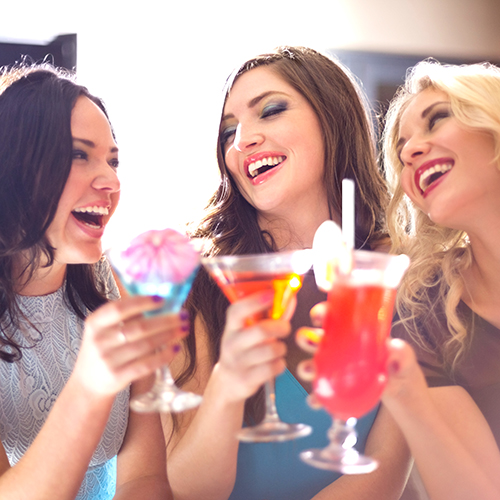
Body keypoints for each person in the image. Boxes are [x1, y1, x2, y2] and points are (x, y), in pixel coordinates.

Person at [163, 46, 412, 500]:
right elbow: (186, 487)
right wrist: (226, 389)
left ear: (332, 117)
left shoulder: (397, 272)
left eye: (271, 110)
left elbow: (382, 476)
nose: (242, 142)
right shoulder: (199, 282)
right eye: (229, 133)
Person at [0, 63, 183, 499]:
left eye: (113, 160)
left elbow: (145, 479)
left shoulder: (113, 287)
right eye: (80, 154)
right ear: (15, 165)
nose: (113, 181)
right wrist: (89, 386)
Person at [378, 59, 500, 499]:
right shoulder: (424, 302)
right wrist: (408, 397)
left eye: (438, 119)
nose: (410, 151)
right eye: (402, 148)